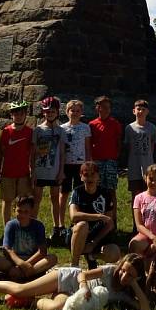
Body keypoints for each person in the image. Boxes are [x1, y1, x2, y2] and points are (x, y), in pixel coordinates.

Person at [0, 253, 149, 310]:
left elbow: (145, 309)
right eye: (123, 270)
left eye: (130, 274)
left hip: (72, 296)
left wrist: (134, 285)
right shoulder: (109, 270)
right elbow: (83, 273)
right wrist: (84, 287)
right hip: (69, 278)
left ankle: (28, 303)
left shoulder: (125, 293)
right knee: (22, 289)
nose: (124, 275)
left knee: (58, 308)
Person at [0, 195, 57, 281]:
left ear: (31, 211)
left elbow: (42, 251)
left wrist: (26, 264)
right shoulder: (11, 225)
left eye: (26, 211)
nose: (22, 214)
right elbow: (7, 249)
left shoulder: (38, 225)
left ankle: (17, 274)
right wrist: (20, 263)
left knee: (52, 258)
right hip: (14, 260)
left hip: (33, 260)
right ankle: (31, 274)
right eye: (19, 211)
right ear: (14, 210)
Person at [68, 161, 121, 267]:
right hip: (79, 234)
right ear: (81, 177)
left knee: (115, 253)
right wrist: (98, 216)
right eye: (86, 175)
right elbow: (73, 216)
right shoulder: (77, 192)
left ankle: (92, 256)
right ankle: (74, 265)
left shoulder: (105, 193)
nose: (89, 178)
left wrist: (94, 243)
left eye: (93, 174)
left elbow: (110, 223)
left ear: (98, 176)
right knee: (83, 225)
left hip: (98, 236)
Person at [0, 101, 34, 226]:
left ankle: (22, 227)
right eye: (15, 113)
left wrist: (33, 174)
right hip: (7, 173)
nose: (18, 116)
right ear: (12, 115)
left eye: (21, 113)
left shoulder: (29, 132)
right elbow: (0, 154)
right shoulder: (6, 132)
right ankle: (7, 228)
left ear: (25, 115)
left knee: (23, 203)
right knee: (7, 202)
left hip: (23, 174)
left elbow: (32, 154)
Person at [58, 99, 91, 242]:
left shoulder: (85, 128)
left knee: (79, 194)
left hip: (80, 165)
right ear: (67, 112)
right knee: (63, 193)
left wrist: (89, 164)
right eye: (72, 111)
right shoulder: (62, 128)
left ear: (81, 113)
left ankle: (78, 220)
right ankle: (60, 223)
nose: (75, 113)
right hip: (66, 164)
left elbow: (88, 147)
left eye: (78, 111)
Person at [32, 96, 65, 236]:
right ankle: (32, 225)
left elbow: (63, 152)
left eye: (52, 111)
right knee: (37, 198)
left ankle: (56, 227)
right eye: (47, 111)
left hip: (54, 169)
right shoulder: (38, 130)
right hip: (40, 169)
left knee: (54, 197)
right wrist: (32, 170)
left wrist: (61, 171)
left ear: (57, 112)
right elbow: (32, 152)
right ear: (43, 113)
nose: (49, 114)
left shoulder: (61, 130)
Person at [88, 96, 123, 226]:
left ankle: (113, 221)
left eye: (108, 107)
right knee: (97, 190)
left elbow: (118, 142)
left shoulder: (115, 124)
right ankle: (98, 220)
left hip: (110, 161)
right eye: (103, 107)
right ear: (97, 107)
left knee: (111, 190)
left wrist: (114, 156)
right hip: (97, 161)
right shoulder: (92, 124)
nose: (106, 110)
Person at [129, 164, 156, 259]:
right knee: (134, 244)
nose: (153, 182)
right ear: (145, 178)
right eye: (151, 179)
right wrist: (152, 237)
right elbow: (139, 225)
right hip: (146, 236)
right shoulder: (138, 198)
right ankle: (139, 267)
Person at [125, 100, 156, 219]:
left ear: (147, 111)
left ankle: (148, 221)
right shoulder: (129, 128)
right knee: (136, 195)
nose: (140, 111)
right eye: (138, 109)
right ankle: (136, 223)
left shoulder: (152, 128)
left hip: (148, 166)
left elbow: (152, 146)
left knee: (149, 194)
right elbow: (128, 147)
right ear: (134, 111)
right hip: (134, 166)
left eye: (143, 109)